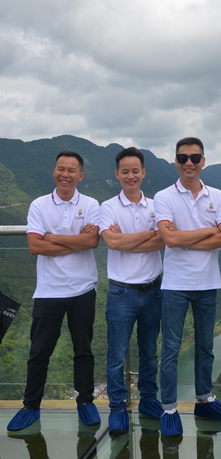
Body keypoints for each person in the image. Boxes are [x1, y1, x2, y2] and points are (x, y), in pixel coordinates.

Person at [7, 151, 101, 431]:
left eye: (71, 170)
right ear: (54, 172)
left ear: (80, 176)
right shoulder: (39, 205)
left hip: (83, 288)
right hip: (48, 290)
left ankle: (85, 401)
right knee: (39, 351)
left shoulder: (90, 203)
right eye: (61, 168)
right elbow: (35, 247)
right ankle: (31, 405)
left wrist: (52, 237)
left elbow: (92, 242)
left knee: (83, 349)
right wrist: (76, 240)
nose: (65, 174)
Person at [154, 137, 221, 437]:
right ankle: (168, 407)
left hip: (208, 281)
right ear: (176, 161)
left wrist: (185, 238)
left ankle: (204, 398)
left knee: (205, 345)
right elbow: (170, 239)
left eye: (195, 157)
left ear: (203, 161)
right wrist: (207, 231)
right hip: (175, 284)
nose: (189, 163)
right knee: (171, 348)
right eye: (183, 158)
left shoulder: (218, 195)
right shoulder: (164, 196)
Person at [99, 147, 165, 435]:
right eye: (124, 171)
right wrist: (149, 234)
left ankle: (149, 399)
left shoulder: (157, 206)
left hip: (153, 289)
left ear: (143, 173)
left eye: (135, 170)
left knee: (149, 352)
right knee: (116, 354)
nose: (130, 176)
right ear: (117, 174)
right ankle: (117, 407)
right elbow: (112, 243)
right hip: (121, 292)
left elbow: (164, 241)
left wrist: (126, 240)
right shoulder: (107, 207)